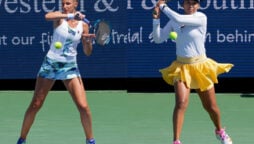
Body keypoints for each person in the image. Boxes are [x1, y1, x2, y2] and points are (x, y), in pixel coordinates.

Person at [152, 0, 234, 144]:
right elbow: (158, 39)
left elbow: (178, 18)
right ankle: (176, 141)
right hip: (182, 67)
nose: (191, 6)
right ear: (182, 5)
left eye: (194, 3)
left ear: (198, 6)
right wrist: (156, 19)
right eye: (188, 3)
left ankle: (220, 131)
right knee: (181, 103)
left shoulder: (201, 18)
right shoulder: (174, 21)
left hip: (201, 67)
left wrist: (162, 5)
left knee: (211, 107)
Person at [16, 0, 96, 144]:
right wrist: (72, 15)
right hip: (51, 64)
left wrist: (88, 42)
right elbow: (47, 16)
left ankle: (90, 141)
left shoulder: (84, 25)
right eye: (63, 4)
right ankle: (22, 139)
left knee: (83, 106)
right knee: (36, 104)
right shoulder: (60, 17)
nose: (64, 6)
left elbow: (87, 52)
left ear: (75, 3)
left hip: (70, 66)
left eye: (68, 3)